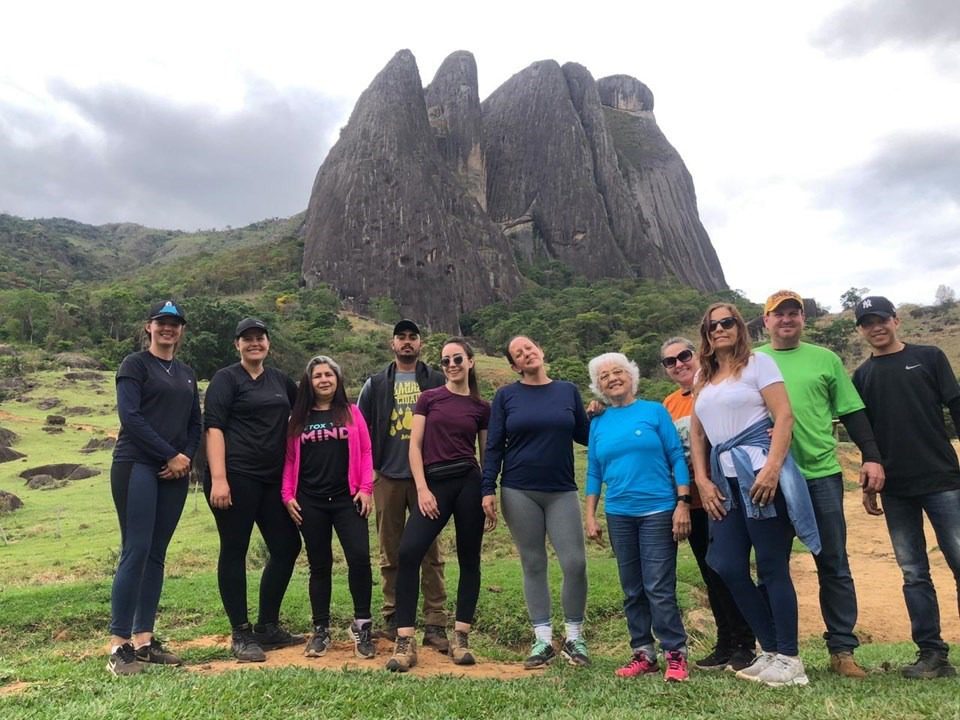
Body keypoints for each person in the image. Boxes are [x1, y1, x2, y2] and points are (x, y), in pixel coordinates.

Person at [690, 302, 820, 688]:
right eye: (712, 326)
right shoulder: (704, 375)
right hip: (724, 482)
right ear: (706, 334)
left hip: (759, 475)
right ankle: (772, 648)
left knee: (770, 565)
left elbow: (783, 416)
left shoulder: (759, 364)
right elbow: (697, 434)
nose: (720, 330)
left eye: (727, 322)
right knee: (726, 563)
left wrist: (772, 468)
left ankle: (790, 657)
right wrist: (702, 478)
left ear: (739, 327)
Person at [755, 289, 885, 678]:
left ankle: (842, 650)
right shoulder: (754, 360)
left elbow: (852, 412)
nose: (787, 320)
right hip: (769, 477)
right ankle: (776, 649)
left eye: (794, 313)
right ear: (766, 321)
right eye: (779, 314)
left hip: (821, 473)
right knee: (771, 564)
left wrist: (871, 455)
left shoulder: (825, 359)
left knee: (833, 563)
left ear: (803, 320)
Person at [853, 295, 960, 679]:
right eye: (867, 322)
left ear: (896, 320)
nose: (876, 327)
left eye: (881, 319)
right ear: (861, 330)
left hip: (943, 478)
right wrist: (869, 484)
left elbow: (957, 405)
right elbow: (865, 437)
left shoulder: (930, 356)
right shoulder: (862, 376)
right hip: (895, 488)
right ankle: (932, 654)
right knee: (914, 572)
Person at [482, 335, 591, 669]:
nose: (526, 354)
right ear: (514, 365)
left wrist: (602, 413)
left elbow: (586, 436)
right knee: (533, 563)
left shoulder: (567, 391)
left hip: (561, 490)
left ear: (541, 351)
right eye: (518, 353)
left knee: (575, 562)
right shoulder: (506, 396)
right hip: (518, 489)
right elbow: (494, 445)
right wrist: (488, 488)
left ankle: (574, 636)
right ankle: (542, 639)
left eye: (529, 348)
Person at [107, 300, 201, 676]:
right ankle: (118, 645)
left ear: (181, 331)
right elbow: (129, 416)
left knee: (157, 553)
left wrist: (185, 457)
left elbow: (196, 422)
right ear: (149, 327)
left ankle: (144, 640)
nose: (168, 329)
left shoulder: (186, 373)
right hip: (136, 465)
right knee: (137, 548)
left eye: (175, 324)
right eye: (162, 323)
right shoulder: (135, 365)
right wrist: (169, 454)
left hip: (174, 470)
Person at [584, 352, 691, 682]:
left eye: (618, 372)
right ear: (597, 386)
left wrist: (683, 502)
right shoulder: (598, 422)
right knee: (632, 588)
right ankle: (643, 653)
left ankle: (675, 653)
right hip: (619, 514)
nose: (612, 378)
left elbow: (676, 457)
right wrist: (590, 515)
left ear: (632, 376)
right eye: (604, 376)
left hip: (658, 510)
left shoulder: (654, 411)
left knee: (658, 585)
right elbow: (593, 471)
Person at [386, 338, 491, 671]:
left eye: (457, 358)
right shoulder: (428, 399)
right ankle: (405, 641)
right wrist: (422, 489)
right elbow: (414, 447)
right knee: (408, 551)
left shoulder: (480, 407)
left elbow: (485, 454)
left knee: (469, 557)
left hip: (469, 484)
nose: (451, 365)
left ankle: (461, 636)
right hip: (434, 483)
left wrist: (489, 493)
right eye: (445, 361)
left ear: (470, 362)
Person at [204, 318, 303, 662]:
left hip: (272, 479)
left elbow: (304, 415)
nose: (254, 344)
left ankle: (267, 627)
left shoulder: (280, 381)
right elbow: (213, 427)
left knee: (288, 545)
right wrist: (219, 478)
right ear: (237, 345)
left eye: (259, 338)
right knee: (235, 548)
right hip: (235, 477)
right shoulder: (226, 379)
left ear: (268, 344)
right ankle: (241, 632)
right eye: (247, 339)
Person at [659, 336, 756, 672]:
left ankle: (747, 642)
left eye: (683, 356)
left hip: (725, 495)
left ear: (697, 355)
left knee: (731, 568)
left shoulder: (717, 388)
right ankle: (726, 642)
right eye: (669, 361)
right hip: (693, 502)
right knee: (711, 573)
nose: (678, 364)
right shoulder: (669, 404)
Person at [357, 320, 449, 651]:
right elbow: (359, 430)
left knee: (430, 551)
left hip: (427, 478)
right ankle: (394, 617)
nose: (407, 342)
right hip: (388, 476)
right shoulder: (376, 384)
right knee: (390, 550)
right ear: (392, 343)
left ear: (421, 343)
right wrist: (365, 476)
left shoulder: (437, 381)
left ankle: (436, 623)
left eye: (413, 337)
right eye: (402, 337)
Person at [282, 355, 375, 659]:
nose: (323, 380)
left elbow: (365, 452)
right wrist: (287, 495)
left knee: (359, 558)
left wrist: (365, 489)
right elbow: (290, 460)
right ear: (309, 382)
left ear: (338, 380)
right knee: (319, 565)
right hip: (312, 502)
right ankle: (320, 630)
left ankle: (362, 625)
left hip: (348, 499)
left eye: (329, 375)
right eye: (317, 375)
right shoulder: (298, 418)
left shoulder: (351, 413)